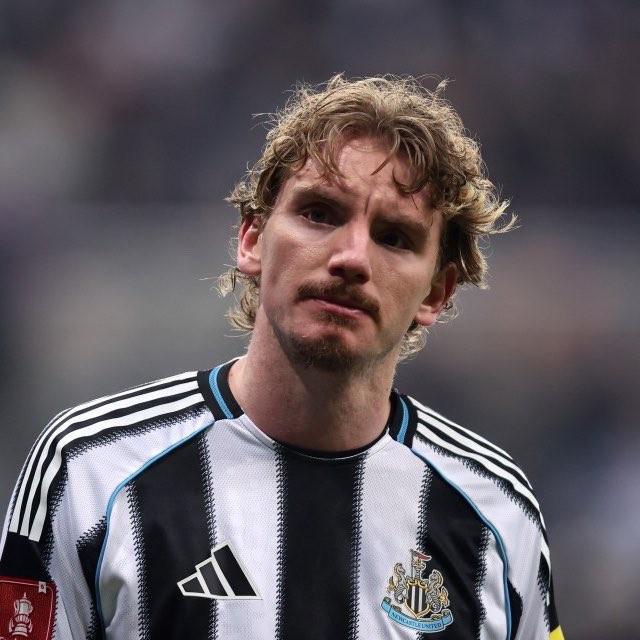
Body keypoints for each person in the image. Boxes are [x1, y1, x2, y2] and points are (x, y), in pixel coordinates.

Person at [0, 75, 563, 640]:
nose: (351, 258)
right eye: (319, 213)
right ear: (251, 240)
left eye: (394, 237)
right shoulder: (91, 471)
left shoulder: (497, 514)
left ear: (436, 293)